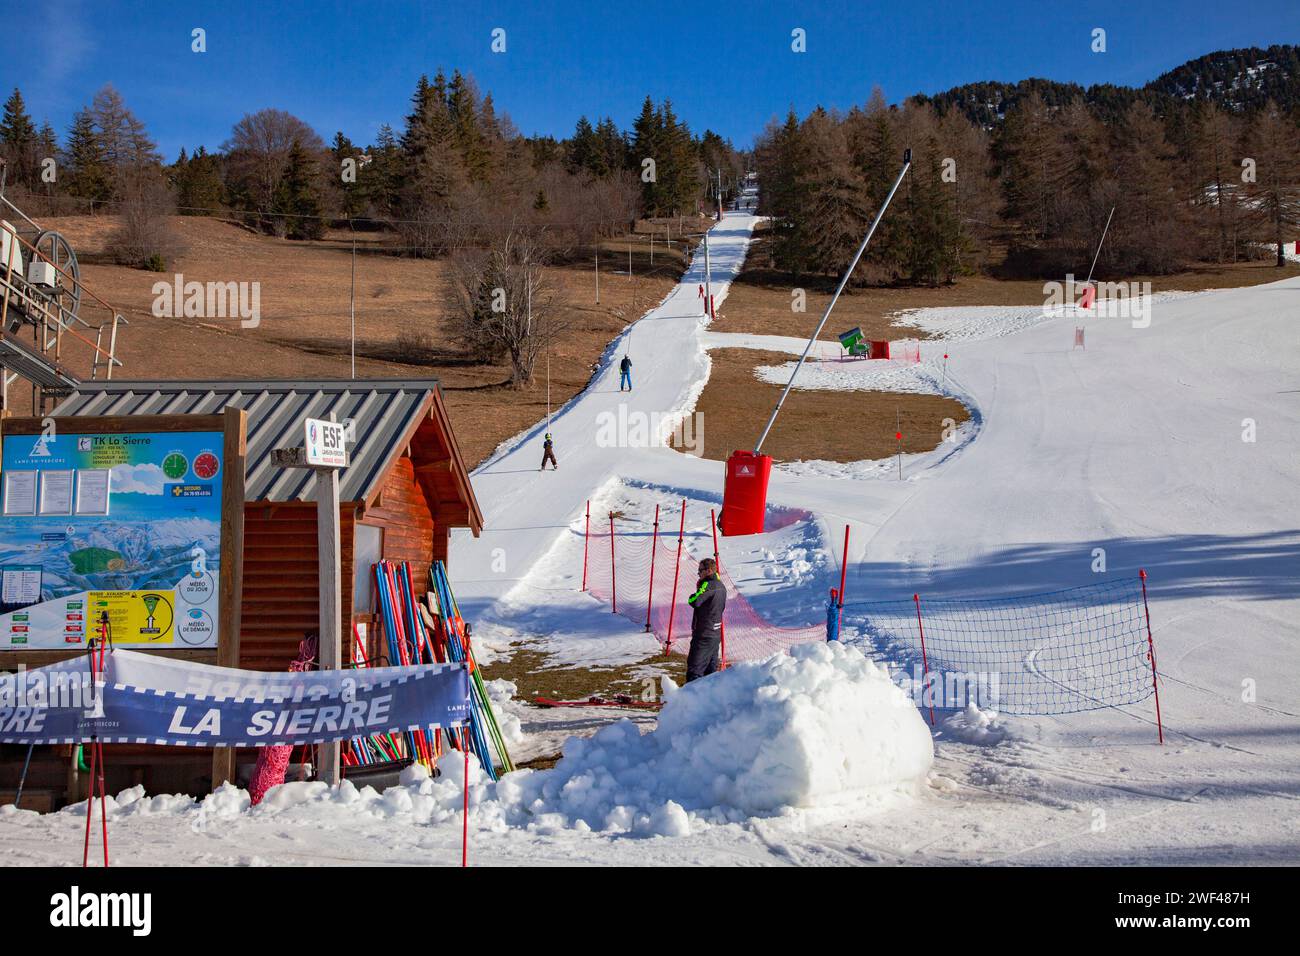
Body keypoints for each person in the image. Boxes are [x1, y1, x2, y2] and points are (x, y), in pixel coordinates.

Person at [685, 557, 726, 682]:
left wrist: (692, 595)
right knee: (710, 673)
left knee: (694, 671)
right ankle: (708, 699)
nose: (698, 574)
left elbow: (694, 601)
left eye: (700, 571)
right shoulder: (721, 585)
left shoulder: (708, 585)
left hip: (704, 634)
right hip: (715, 634)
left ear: (708, 571)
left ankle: (691, 699)